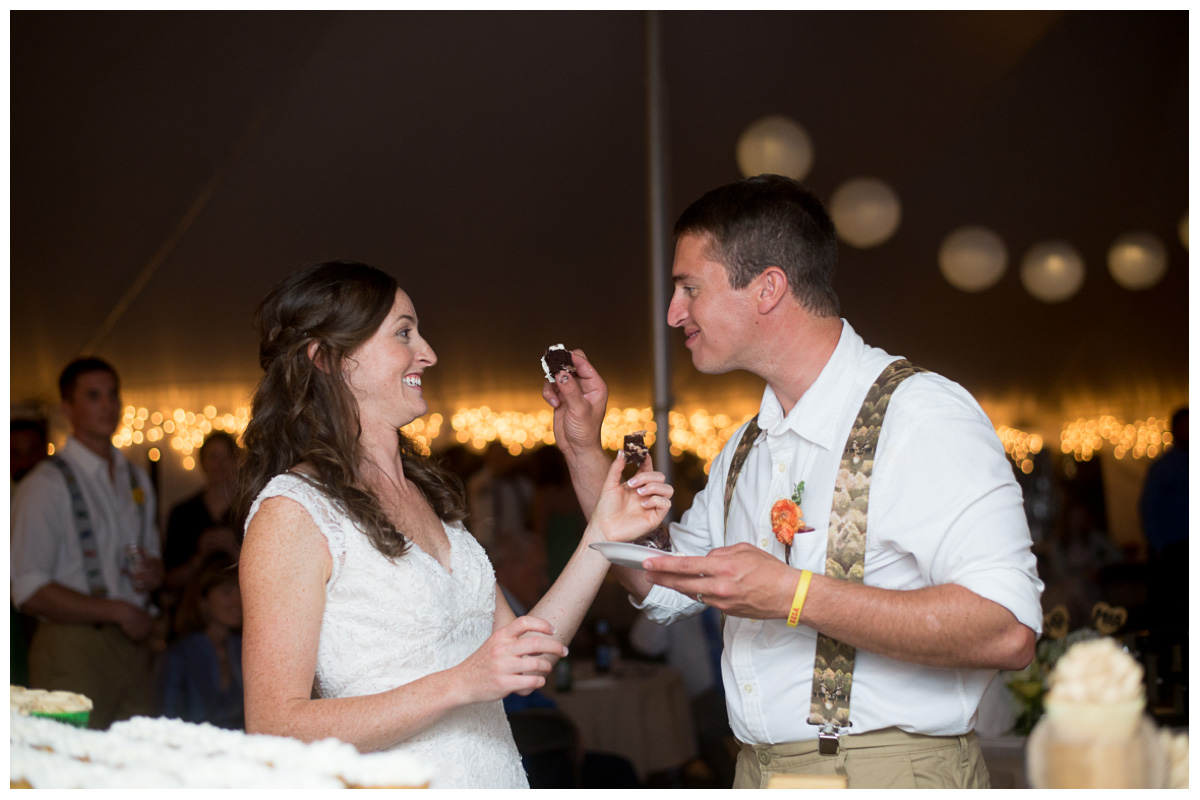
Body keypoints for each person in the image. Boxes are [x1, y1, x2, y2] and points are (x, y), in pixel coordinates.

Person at [543, 175, 1043, 789]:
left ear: (768, 288)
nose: (674, 313)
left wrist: (792, 594)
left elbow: (1007, 628)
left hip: (886, 774)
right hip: (758, 771)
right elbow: (660, 581)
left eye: (689, 288)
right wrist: (580, 448)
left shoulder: (921, 415)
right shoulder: (745, 445)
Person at [234, 261, 672, 789]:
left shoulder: (427, 497)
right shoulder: (294, 513)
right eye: (403, 333)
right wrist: (459, 683)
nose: (429, 353)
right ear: (327, 358)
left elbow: (528, 651)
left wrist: (603, 532)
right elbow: (274, 729)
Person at [10, 357, 164, 729]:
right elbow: (26, 589)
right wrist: (116, 610)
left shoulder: (137, 478)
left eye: (113, 395)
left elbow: (154, 558)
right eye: (94, 396)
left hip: (134, 644)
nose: (108, 405)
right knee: (71, 773)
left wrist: (155, 573)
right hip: (72, 647)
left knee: (135, 768)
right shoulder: (44, 485)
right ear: (68, 408)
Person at [159, 553, 244, 729]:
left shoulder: (246, 649)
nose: (238, 601)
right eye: (227, 592)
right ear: (203, 600)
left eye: (241, 590)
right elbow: (167, 720)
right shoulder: (180, 655)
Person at [163, 431, 242, 596]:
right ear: (202, 462)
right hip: (191, 613)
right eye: (213, 457)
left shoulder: (251, 509)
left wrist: (235, 552)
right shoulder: (183, 513)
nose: (220, 464)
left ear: (237, 460)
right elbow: (169, 581)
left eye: (226, 456)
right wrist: (199, 558)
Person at [1139, 406, 1187, 633]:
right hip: (1172, 547)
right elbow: (1149, 506)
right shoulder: (1164, 467)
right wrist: (1157, 544)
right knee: (1170, 609)